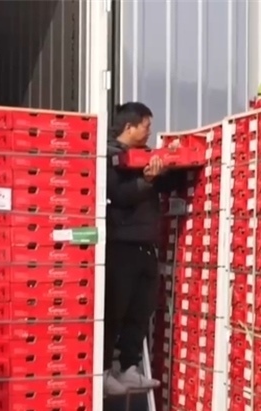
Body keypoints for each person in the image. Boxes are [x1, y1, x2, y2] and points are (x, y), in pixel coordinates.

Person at [103, 102, 179, 395]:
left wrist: (170, 162)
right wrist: (146, 180)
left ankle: (130, 368)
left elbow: (165, 185)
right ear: (129, 127)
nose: (149, 131)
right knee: (115, 311)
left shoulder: (148, 156)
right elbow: (118, 195)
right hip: (121, 246)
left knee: (140, 310)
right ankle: (104, 371)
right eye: (146, 126)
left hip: (147, 246)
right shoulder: (109, 155)